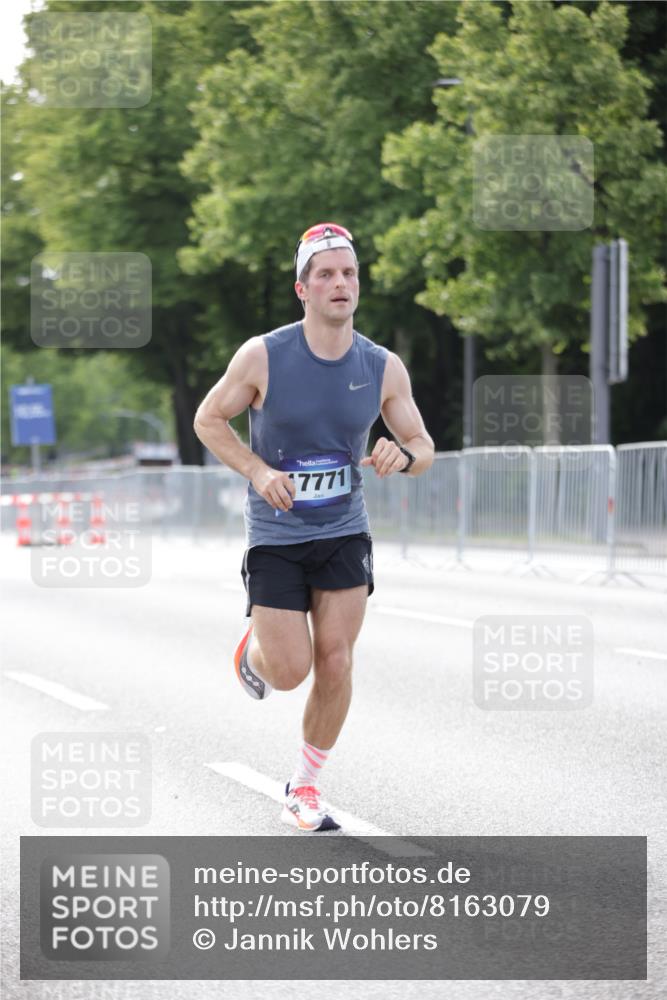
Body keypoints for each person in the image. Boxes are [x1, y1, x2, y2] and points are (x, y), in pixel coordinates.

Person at [194, 222, 434, 831]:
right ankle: (254, 652)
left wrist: (399, 457)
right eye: (325, 274)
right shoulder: (263, 356)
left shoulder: (381, 366)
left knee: (336, 661)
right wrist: (255, 469)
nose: (339, 283)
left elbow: (422, 445)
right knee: (292, 669)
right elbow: (207, 419)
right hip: (276, 535)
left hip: (343, 531)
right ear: (302, 289)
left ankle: (304, 786)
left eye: (348, 273)